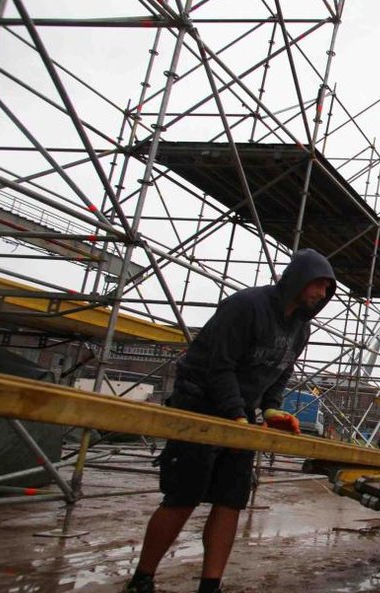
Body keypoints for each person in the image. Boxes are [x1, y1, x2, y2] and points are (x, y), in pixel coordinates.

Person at [122, 248, 336, 593]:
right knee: (183, 496)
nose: (322, 294)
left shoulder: (300, 329)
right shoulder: (246, 307)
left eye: (328, 289)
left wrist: (270, 409)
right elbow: (217, 366)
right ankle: (141, 579)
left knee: (231, 499)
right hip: (199, 406)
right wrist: (237, 413)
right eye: (319, 285)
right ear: (299, 279)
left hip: (240, 417)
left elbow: (280, 373)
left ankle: (210, 585)